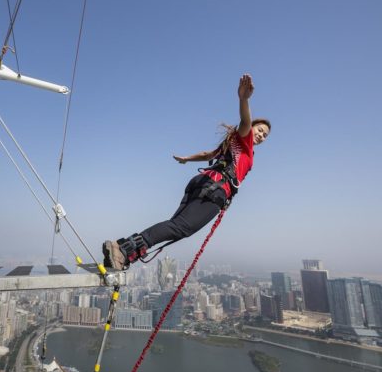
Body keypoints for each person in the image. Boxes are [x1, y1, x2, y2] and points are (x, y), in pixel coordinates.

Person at [103, 74, 271, 270]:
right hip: (214, 190)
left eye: (265, 135)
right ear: (252, 128)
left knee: (175, 225)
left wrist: (186, 159)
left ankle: (126, 253)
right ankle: (123, 249)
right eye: (259, 130)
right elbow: (244, 121)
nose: (260, 135)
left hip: (202, 184)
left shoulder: (232, 144)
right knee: (182, 227)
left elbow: (207, 154)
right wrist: (244, 99)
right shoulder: (245, 143)